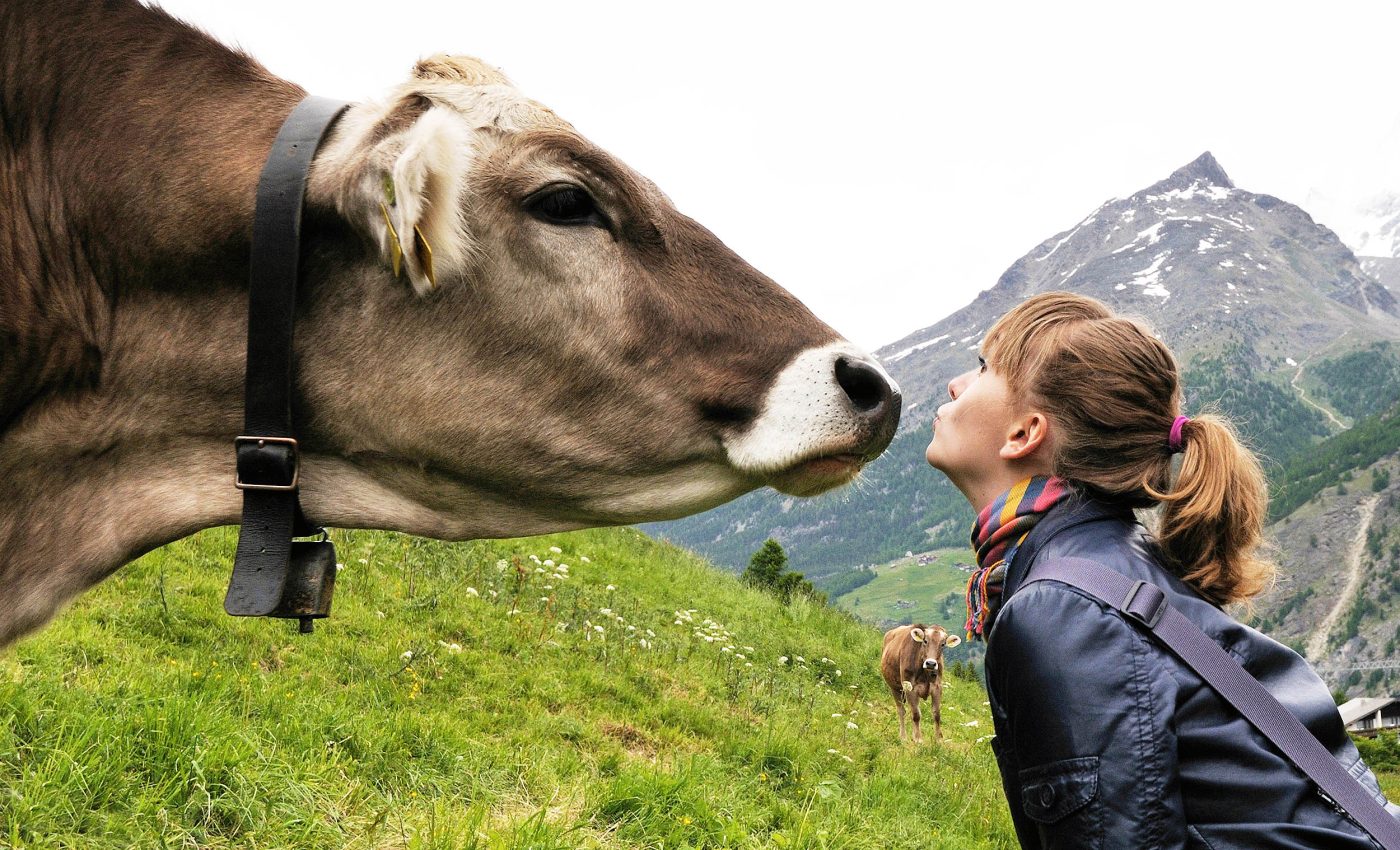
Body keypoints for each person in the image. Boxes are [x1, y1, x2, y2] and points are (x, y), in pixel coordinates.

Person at [925, 291, 1396, 849]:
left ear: (1024, 433)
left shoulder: (1063, 609)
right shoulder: (1110, 571)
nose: (955, 385)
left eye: (983, 368)